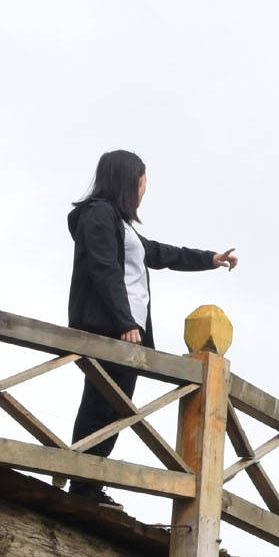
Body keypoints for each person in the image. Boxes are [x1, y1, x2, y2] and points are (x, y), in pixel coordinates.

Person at [64, 149, 236, 502]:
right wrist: (125, 320)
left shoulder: (122, 225)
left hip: (127, 331)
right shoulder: (97, 215)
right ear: (130, 181)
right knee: (102, 402)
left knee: (116, 404)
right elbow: (103, 268)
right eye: (143, 181)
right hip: (109, 327)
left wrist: (209, 259)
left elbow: (159, 253)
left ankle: (88, 480)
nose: (145, 188)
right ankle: (81, 481)